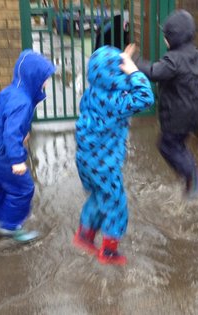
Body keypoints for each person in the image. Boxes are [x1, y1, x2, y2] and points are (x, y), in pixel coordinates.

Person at [73, 46, 154, 265]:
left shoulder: (93, 92)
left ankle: (84, 236)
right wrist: (133, 71)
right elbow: (146, 97)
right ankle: (108, 251)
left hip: (86, 159)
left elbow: (109, 79)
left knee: (100, 197)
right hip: (104, 165)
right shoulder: (117, 102)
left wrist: (121, 60)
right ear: (116, 74)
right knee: (117, 204)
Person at [125, 9, 198, 198]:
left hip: (176, 116)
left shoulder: (174, 60)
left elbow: (155, 72)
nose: (164, 40)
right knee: (178, 145)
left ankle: (193, 176)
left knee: (166, 145)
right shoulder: (196, 55)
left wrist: (135, 60)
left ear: (174, 38)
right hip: (193, 113)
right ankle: (191, 176)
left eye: (166, 36)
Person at [0, 49, 55, 242]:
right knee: (23, 188)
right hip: (4, 154)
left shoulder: (10, 92)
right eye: (44, 78)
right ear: (33, 77)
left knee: (5, 187)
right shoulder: (23, 102)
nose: (46, 82)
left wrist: (16, 131)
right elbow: (11, 132)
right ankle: (9, 227)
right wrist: (16, 160)